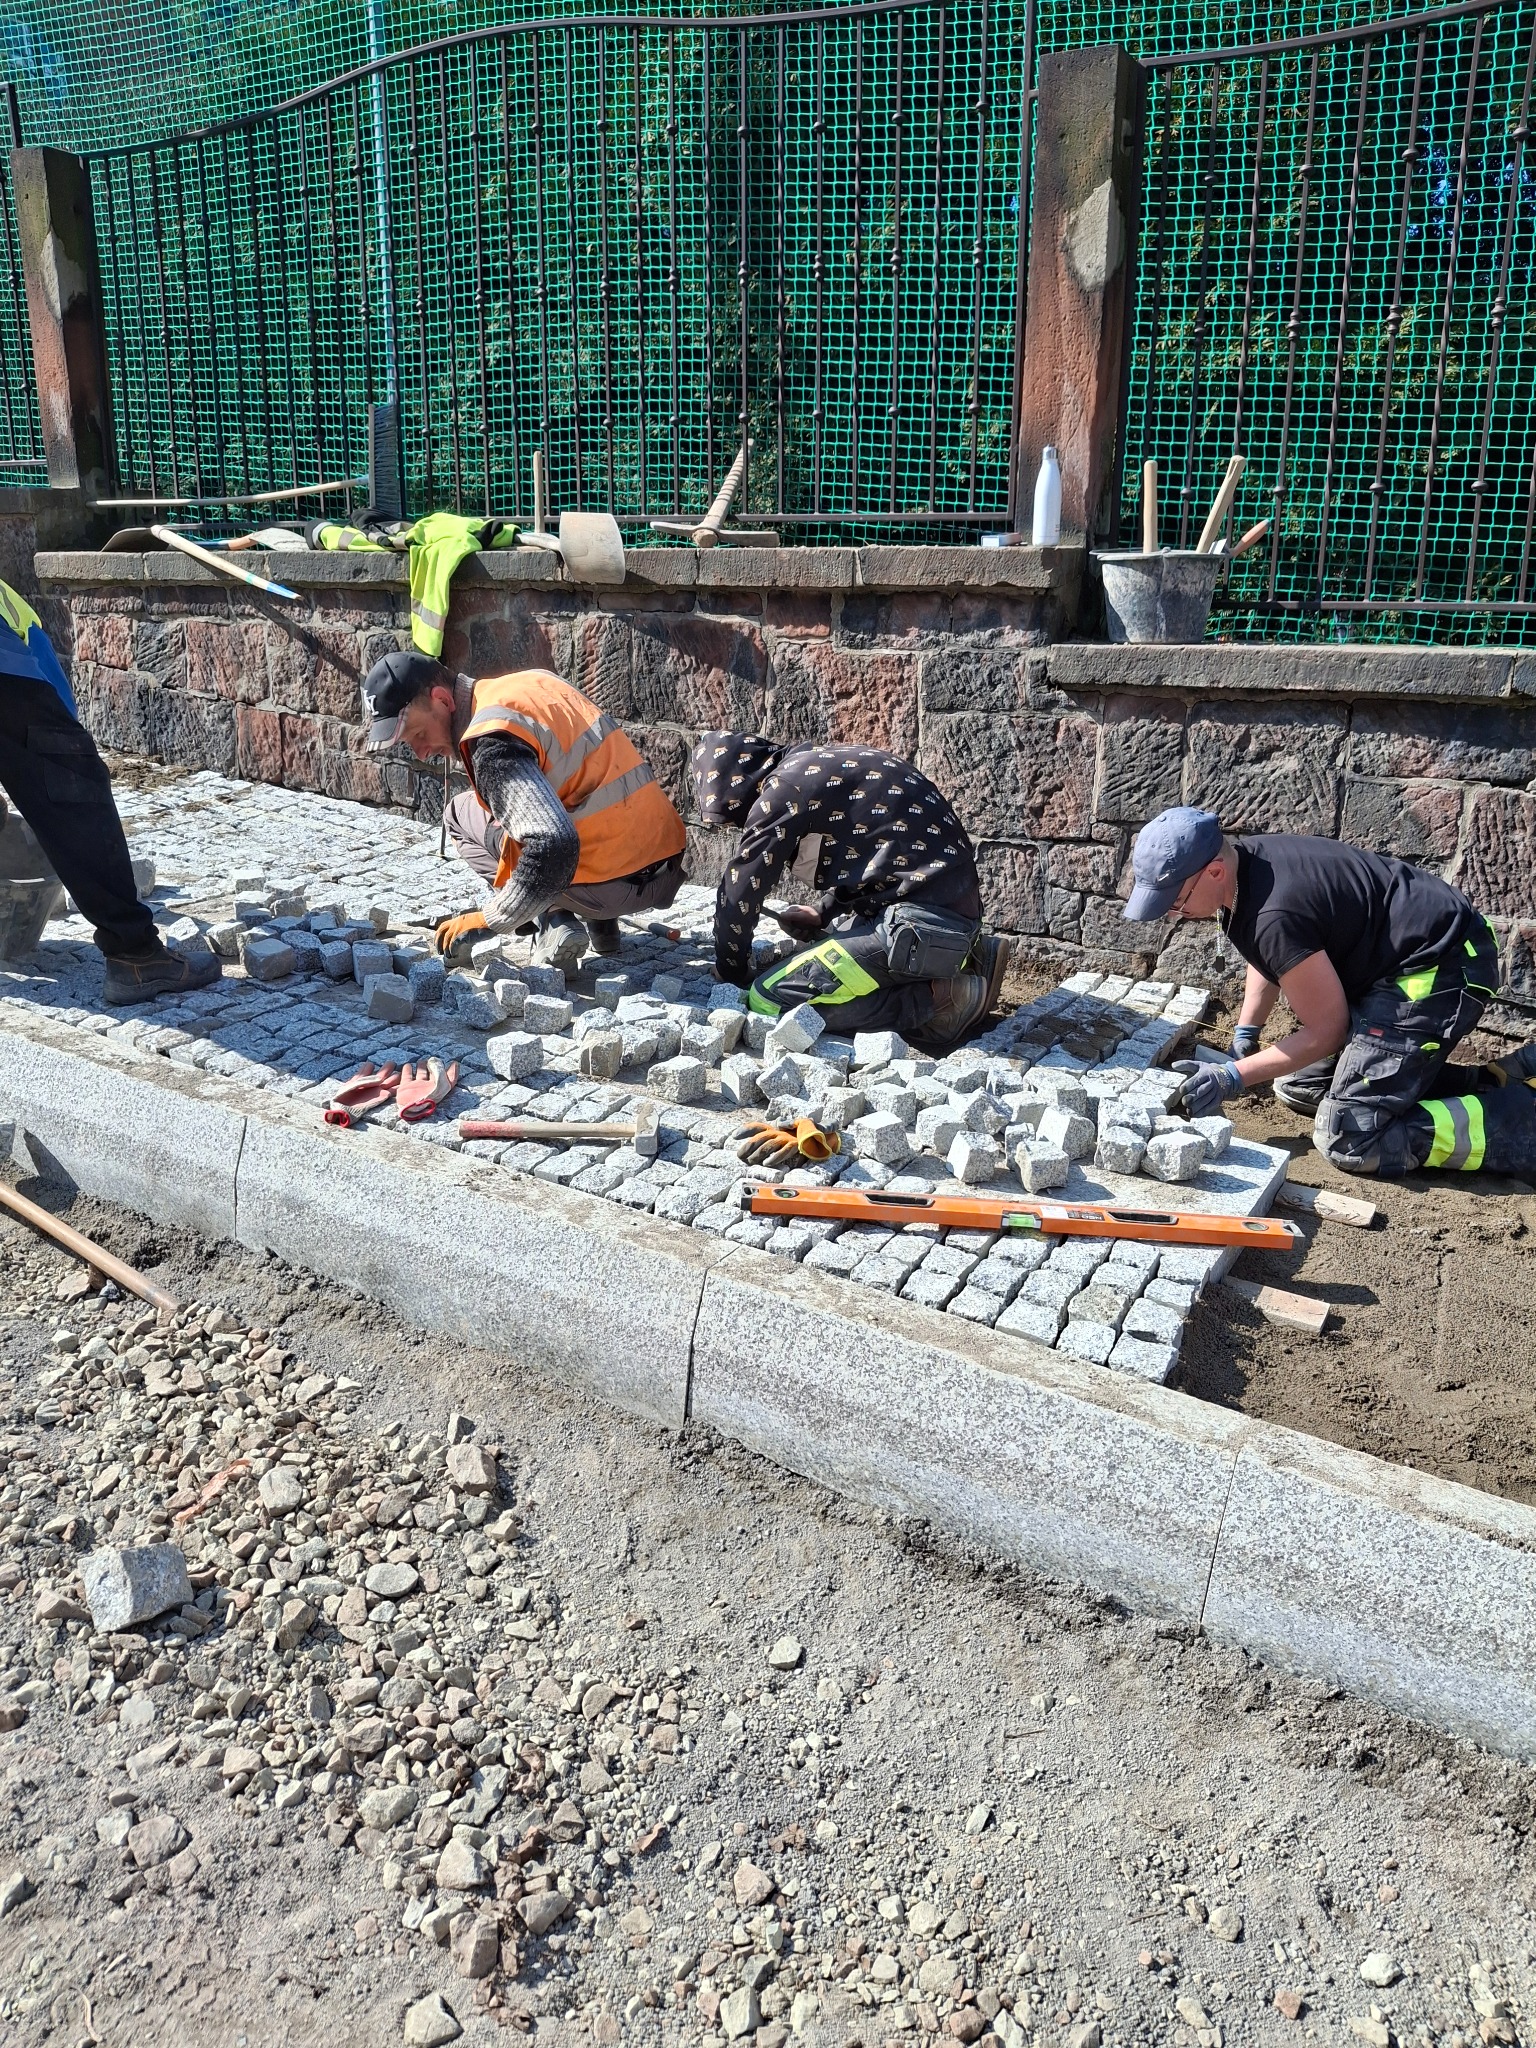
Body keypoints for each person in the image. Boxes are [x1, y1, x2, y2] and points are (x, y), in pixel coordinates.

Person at [1123, 806, 1536, 1176]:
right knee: (1296, 1086)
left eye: (1176, 901)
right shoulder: (1247, 866)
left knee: (1349, 1137)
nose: (1174, 913)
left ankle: (1517, 1123)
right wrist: (1245, 1036)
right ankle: (1486, 1082)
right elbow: (1267, 958)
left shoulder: (1274, 911)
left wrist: (1232, 1077)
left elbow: (1328, 1031)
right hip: (1398, 960)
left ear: (1213, 871)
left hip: (1440, 966)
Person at [360, 650, 688, 968]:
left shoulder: (491, 738)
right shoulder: (532, 684)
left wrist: (492, 919)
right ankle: (601, 925)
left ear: (443, 700)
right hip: (665, 866)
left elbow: (553, 844)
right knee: (541, 803)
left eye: (417, 734)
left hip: (609, 887)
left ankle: (554, 918)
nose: (420, 753)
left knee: (459, 814)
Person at [691, 730, 1010, 1050]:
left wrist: (730, 970)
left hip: (917, 923)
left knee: (769, 997)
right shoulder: (821, 763)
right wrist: (821, 912)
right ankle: (971, 958)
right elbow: (878, 854)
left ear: (736, 786)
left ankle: (940, 1000)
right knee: (832, 941)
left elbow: (739, 892)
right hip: (948, 913)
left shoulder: (782, 792)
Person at [0, 578, 219, 1004]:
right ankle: (135, 955)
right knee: (72, 781)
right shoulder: (31, 642)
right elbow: (59, 733)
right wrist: (74, 757)